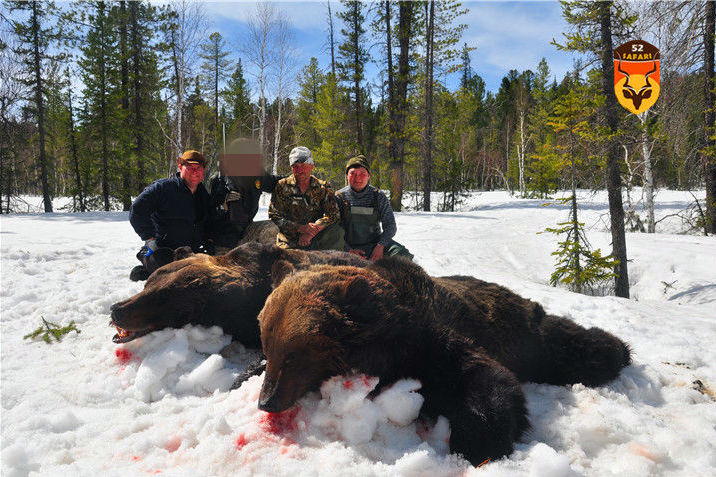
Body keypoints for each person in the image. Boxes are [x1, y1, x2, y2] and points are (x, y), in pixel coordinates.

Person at [128, 150, 213, 281]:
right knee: (167, 274)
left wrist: (209, 240)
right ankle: (145, 261)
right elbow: (137, 210)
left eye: (199, 168)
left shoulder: (203, 194)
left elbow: (209, 220)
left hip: (189, 252)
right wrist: (149, 239)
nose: (195, 171)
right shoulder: (163, 188)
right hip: (162, 249)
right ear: (180, 167)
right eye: (190, 167)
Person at [208, 139, 281, 253]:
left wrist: (298, 176)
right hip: (223, 237)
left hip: (247, 230)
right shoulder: (218, 179)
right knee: (224, 267)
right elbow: (207, 210)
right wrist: (222, 203)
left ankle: (266, 263)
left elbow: (276, 182)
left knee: (270, 228)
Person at [336, 155, 413, 261]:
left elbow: (390, 226)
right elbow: (334, 230)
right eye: (353, 173)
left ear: (368, 176)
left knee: (402, 255)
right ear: (347, 175)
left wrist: (380, 246)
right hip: (346, 246)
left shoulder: (378, 196)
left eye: (362, 174)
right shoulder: (339, 197)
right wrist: (349, 250)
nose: (357, 178)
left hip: (375, 244)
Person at [268, 146, 345, 250]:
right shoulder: (282, 186)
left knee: (336, 234)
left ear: (312, 166)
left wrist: (312, 231)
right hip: (288, 240)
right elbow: (274, 215)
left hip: (316, 238)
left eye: (303, 165)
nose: (300, 170)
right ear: (291, 168)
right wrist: (300, 228)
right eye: (295, 166)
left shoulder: (322, 187)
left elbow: (333, 215)